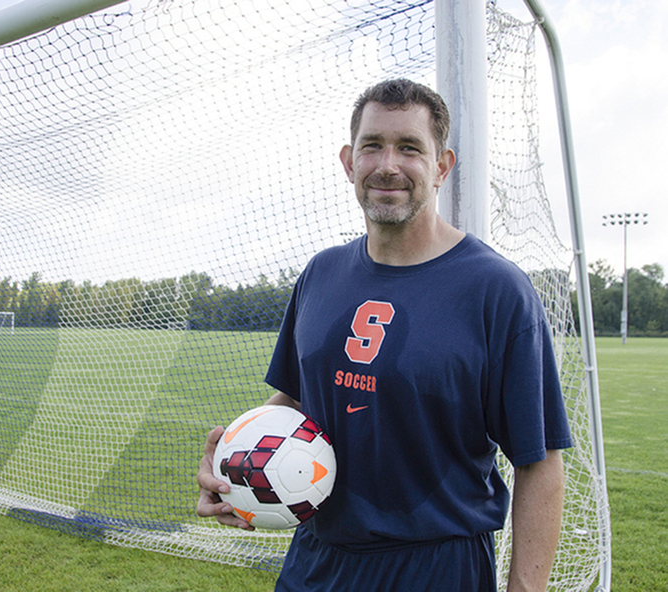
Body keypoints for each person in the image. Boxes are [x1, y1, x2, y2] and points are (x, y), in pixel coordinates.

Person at [197, 78, 572, 592]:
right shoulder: (320, 274)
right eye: (373, 146)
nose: (388, 165)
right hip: (316, 562)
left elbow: (540, 460)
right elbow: (292, 401)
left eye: (410, 148)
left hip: (438, 567)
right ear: (350, 161)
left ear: (442, 166)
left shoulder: (497, 290)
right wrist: (233, 467)